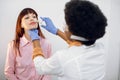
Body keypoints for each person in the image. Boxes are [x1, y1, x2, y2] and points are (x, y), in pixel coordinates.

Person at [29, 0, 107, 80]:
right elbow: (79, 44)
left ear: (75, 32)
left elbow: (41, 67)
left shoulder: (64, 57)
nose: (64, 26)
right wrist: (56, 31)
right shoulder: (100, 48)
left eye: (67, 24)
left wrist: (35, 40)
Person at [4, 8, 52, 80]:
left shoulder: (46, 43)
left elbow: (49, 70)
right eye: (27, 17)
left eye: (34, 17)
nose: (32, 19)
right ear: (21, 24)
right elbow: (9, 72)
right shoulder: (13, 45)